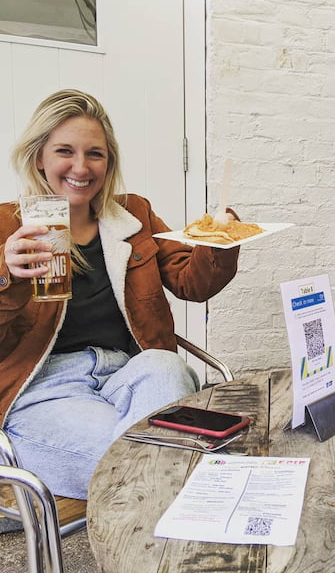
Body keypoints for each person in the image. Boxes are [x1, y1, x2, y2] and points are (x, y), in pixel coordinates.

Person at [0, 89, 240, 500]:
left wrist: (220, 239)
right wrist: (6, 273)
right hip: (44, 387)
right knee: (150, 463)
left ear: (109, 161)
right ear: (39, 156)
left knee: (165, 368)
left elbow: (192, 284)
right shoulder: (8, 225)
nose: (81, 167)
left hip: (128, 372)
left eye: (96, 153)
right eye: (64, 151)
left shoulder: (134, 214)